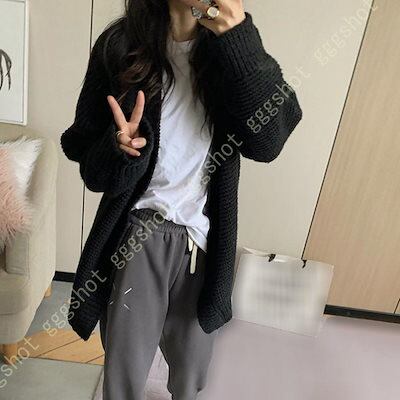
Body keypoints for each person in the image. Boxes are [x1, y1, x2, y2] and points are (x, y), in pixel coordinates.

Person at [60, 0, 303, 399]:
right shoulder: (120, 44)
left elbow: (268, 142)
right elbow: (89, 163)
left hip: (204, 241)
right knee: (124, 375)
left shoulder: (234, 46)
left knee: (192, 369)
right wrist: (120, 150)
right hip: (138, 234)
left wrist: (238, 37)